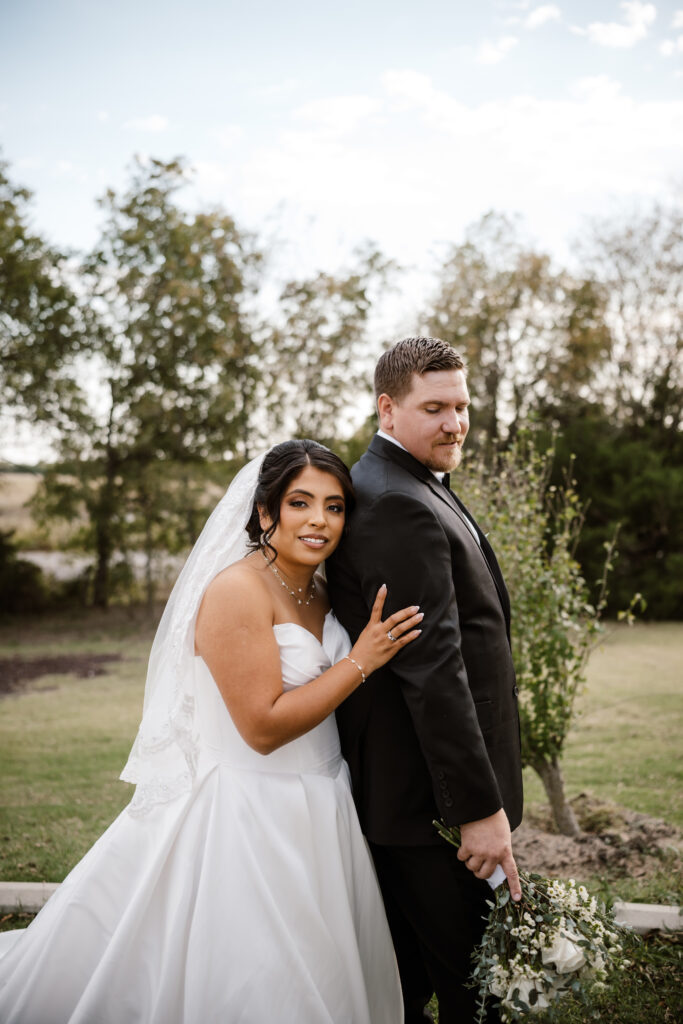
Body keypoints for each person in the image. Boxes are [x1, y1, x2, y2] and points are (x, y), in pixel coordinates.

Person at [0, 439, 422, 1024]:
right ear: (265, 512)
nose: (320, 521)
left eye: (334, 506)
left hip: (322, 802)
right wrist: (362, 660)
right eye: (300, 503)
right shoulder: (236, 590)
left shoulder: (320, 589)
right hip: (248, 812)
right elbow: (263, 727)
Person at [326, 337, 524, 1024]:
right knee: (475, 993)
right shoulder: (392, 502)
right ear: (387, 406)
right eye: (434, 407)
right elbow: (431, 667)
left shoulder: (412, 484)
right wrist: (474, 809)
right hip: (427, 810)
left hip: (426, 803)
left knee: (413, 992)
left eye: (462, 407)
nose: (455, 423)